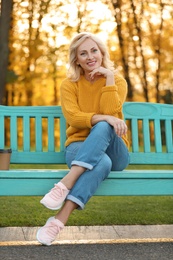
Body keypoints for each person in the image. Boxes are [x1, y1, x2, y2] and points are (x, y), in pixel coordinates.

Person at [36, 32, 130, 246]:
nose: (90, 57)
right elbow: (74, 118)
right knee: (101, 160)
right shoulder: (69, 85)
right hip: (79, 147)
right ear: (76, 59)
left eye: (94, 50)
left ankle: (65, 183)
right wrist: (106, 118)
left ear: (102, 52)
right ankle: (59, 221)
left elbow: (111, 113)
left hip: (116, 151)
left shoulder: (117, 81)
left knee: (106, 126)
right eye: (83, 53)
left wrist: (108, 78)